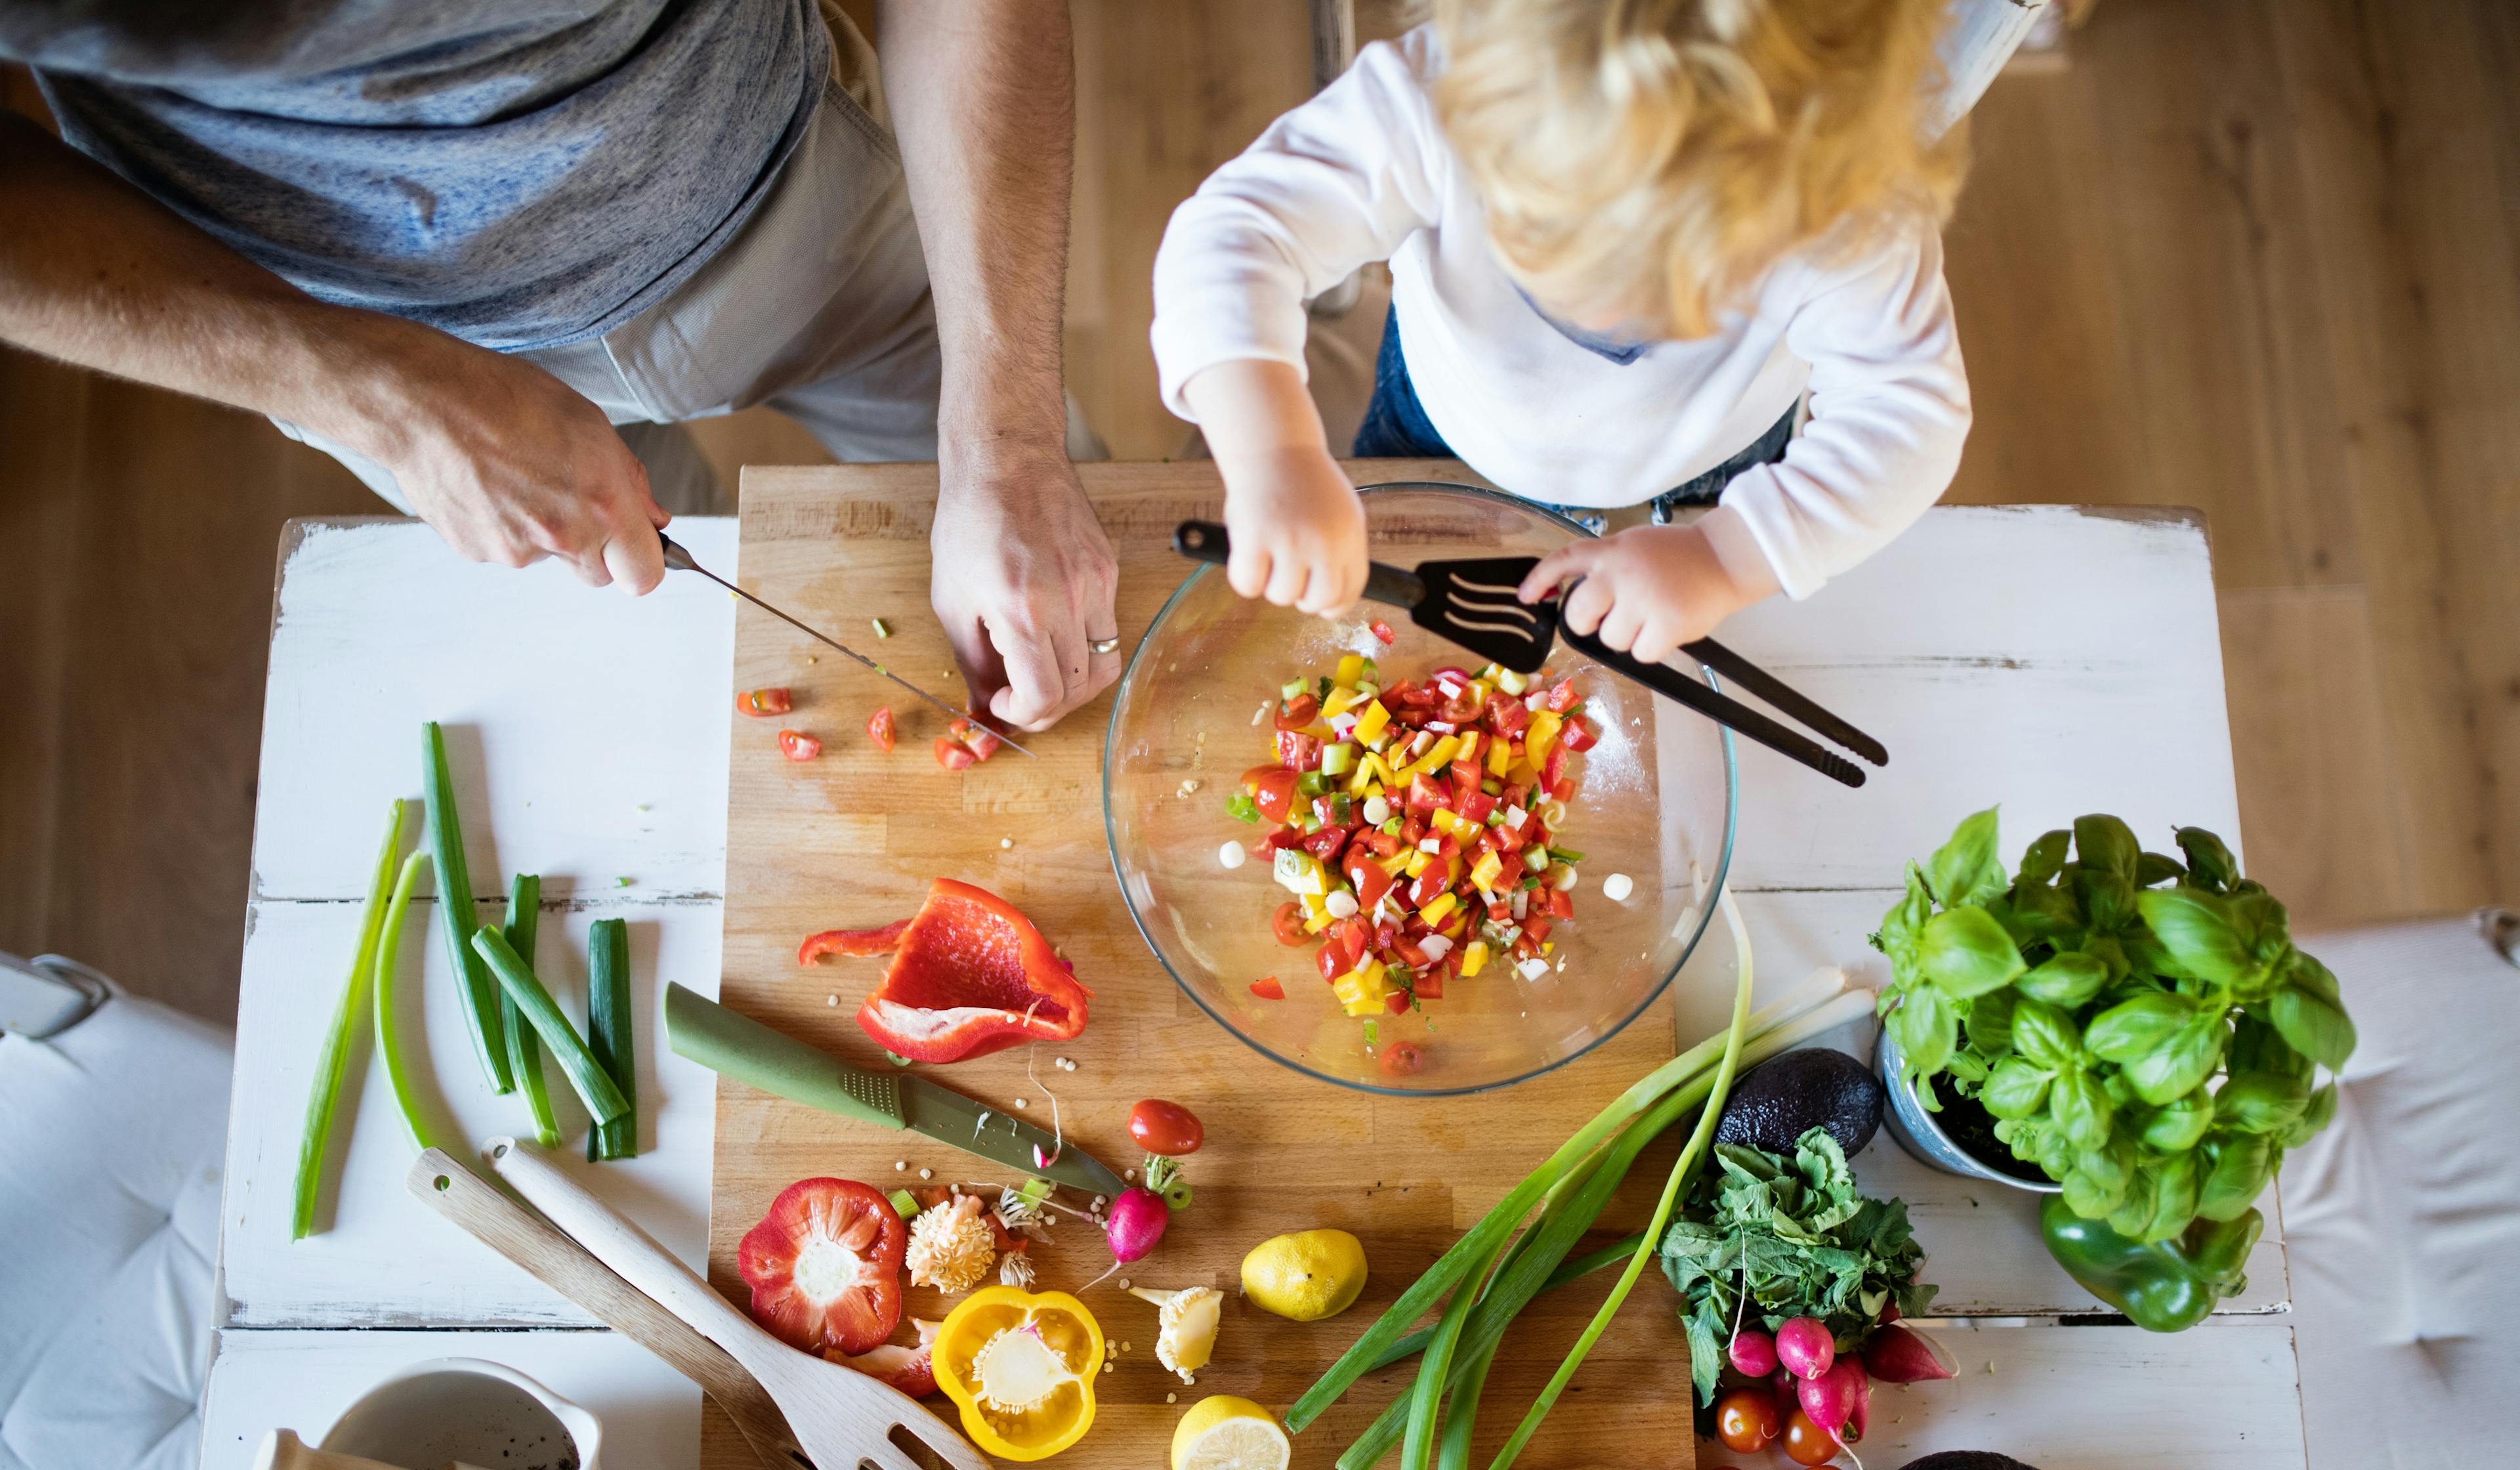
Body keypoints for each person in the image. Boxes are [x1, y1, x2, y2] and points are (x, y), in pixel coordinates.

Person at [0, 0, 1120, 731]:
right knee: (698, 694)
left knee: (1068, 592)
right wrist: (383, 400)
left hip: (793, 184)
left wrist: (1008, 442)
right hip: (365, 340)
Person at [1150, 0, 1971, 667]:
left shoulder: (1851, 202)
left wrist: (1728, 557)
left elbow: (1907, 414)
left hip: (1707, 472)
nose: (1610, 315)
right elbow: (1238, 232)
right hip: (1441, 421)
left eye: (1686, 277)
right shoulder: (1446, 95)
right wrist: (1276, 457)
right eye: (1553, 233)